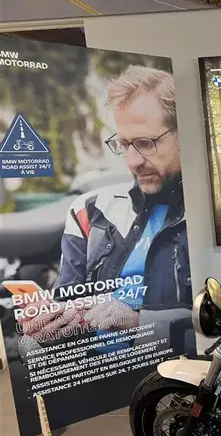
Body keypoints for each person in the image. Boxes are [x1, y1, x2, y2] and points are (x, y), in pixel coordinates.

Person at [19, 65, 192, 351]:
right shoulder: (90, 210)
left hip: (174, 373)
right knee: (30, 346)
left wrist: (139, 322)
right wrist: (50, 325)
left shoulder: (210, 217)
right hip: (94, 369)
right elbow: (66, 303)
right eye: (124, 144)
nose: (132, 162)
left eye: (145, 143)